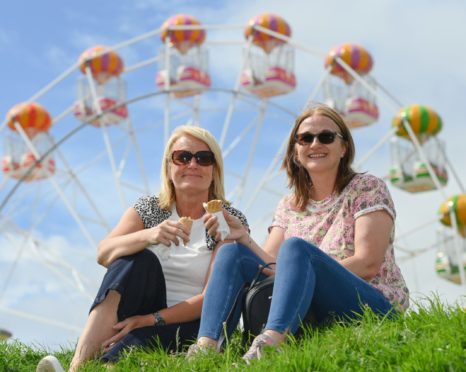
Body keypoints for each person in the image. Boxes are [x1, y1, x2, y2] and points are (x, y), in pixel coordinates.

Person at [188, 104, 410, 362]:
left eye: (326, 137)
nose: (315, 144)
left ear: (344, 148)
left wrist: (305, 270)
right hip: (313, 303)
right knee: (232, 252)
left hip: (372, 303)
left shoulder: (366, 187)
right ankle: (206, 347)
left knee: (295, 248)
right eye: (305, 138)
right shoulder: (289, 205)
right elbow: (270, 266)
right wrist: (243, 237)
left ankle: (270, 344)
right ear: (296, 151)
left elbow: (368, 263)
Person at [36, 125, 249, 371]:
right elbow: (104, 253)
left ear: (215, 170)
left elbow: (213, 298)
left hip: (193, 323)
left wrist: (148, 320)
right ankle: (77, 366)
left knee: (132, 346)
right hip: (142, 308)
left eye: (203, 158)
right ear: (169, 168)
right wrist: (149, 234)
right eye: (182, 157)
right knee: (133, 259)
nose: (192, 164)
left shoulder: (226, 219)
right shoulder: (150, 208)